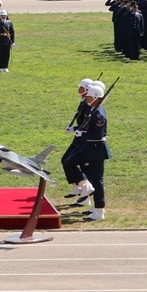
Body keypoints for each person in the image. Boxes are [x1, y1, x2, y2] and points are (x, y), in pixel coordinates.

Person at [73, 80, 111, 221]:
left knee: (97, 180)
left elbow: (97, 135)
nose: (87, 98)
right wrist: (76, 129)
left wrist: (82, 134)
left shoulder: (98, 114)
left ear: (95, 97)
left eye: (89, 96)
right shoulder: (93, 109)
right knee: (91, 178)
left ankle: (99, 211)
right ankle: (96, 208)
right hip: (91, 148)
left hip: (97, 149)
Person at [62, 79, 96, 199]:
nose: (78, 89)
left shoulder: (89, 105)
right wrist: (74, 128)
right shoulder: (84, 102)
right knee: (65, 160)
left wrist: (77, 130)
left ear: (86, 89)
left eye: (81, 87)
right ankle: (78, 186)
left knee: (68, 161)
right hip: (78, 136)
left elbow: (88, 124)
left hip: (83, 139)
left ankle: (83, 186)